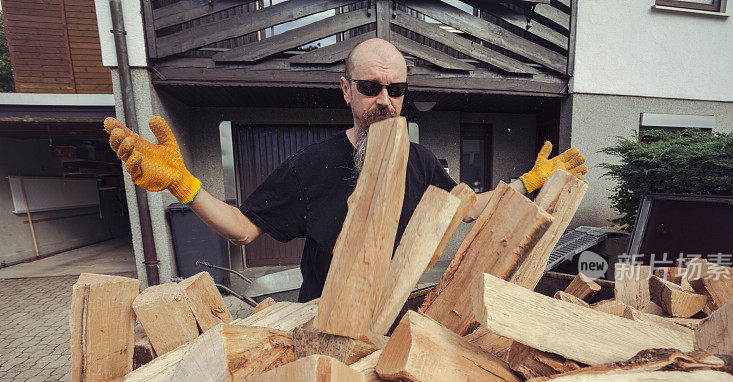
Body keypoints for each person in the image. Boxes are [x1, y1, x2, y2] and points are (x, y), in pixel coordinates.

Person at [104, 38, 587, 302]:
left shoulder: (417, 160)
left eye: (395, 90)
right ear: (345, 90)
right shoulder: (310, 164)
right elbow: (245, 231)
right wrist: (184, 187)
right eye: (371, 87)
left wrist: (530, 182)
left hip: (395, 310)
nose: (385, 100)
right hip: (323, 314)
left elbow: (463, 209)